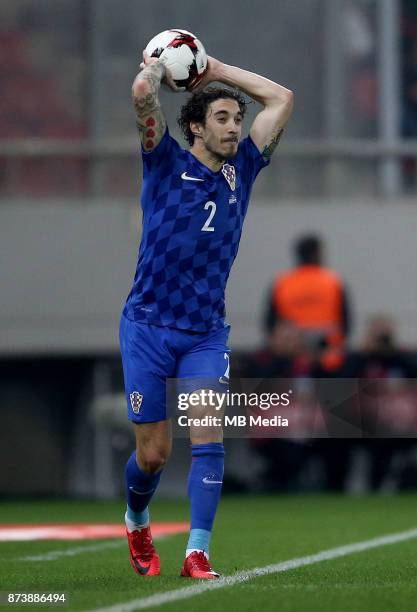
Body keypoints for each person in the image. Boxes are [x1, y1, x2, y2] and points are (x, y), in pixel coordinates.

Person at [119, 48, 293, 579]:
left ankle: (197, 552)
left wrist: (213, 69)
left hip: (204, 333)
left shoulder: (245, 167)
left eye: (237, 119)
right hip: (147, 325)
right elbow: (143, 97)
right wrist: (158, 66)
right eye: (221, 117)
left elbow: (281, 98)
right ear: (194, 126)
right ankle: (136, 517)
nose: (235, 127)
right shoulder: (164, 160)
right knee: (153, 455)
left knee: (208, 436)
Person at [264, 234, 352, 371]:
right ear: (317, 253)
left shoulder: (283, 282)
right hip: (329, 357)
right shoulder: (333, 281)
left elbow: (270, 323)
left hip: (290, 357)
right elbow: (346, 321)